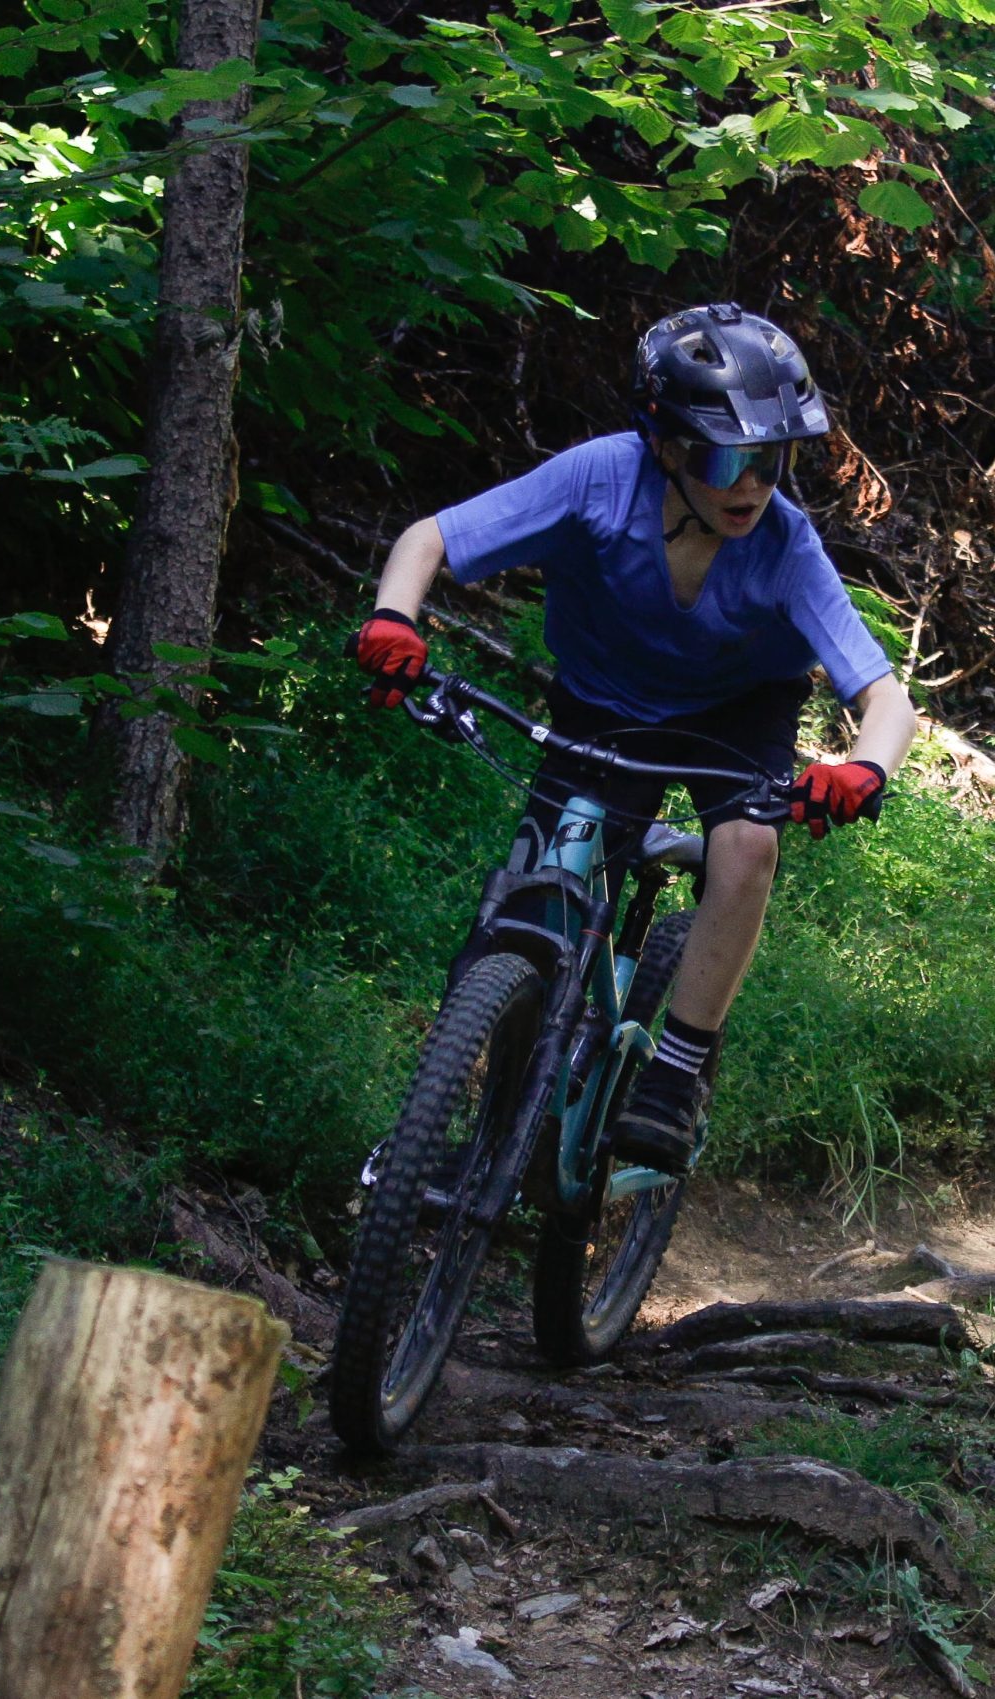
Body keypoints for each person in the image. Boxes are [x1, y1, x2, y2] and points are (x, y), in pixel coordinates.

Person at [349, 303, 919, 1172]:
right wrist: (394, 620)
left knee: (746, 846)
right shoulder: (598, 480)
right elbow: (430, 540)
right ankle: (483, 1118)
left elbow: (886, 699)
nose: (751, 486)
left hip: (736, 712)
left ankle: (676, 1072)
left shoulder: (786, 544)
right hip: (603, 701)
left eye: (772, 460)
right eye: (725, 458)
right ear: (664, 445)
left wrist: (862, 769)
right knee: (531, 901)